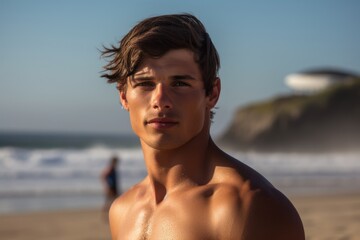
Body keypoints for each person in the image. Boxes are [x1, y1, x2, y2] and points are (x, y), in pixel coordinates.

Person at [101, 13, 304, 240]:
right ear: (123, 96)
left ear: (212, 93)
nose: (160, 100)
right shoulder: (122, 210)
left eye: (180, 83)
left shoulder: (248, 207)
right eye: (145, 83)